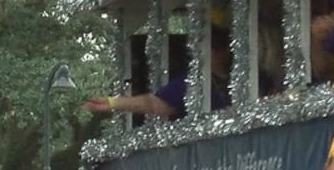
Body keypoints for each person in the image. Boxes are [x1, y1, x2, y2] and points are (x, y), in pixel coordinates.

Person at [83, 27, 233, 121]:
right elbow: (153, 103)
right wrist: (112, 103)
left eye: (215, 47)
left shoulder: (248, 79)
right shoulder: (190, 83)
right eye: (206, 47)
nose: (211, 52)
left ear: (226, 50)